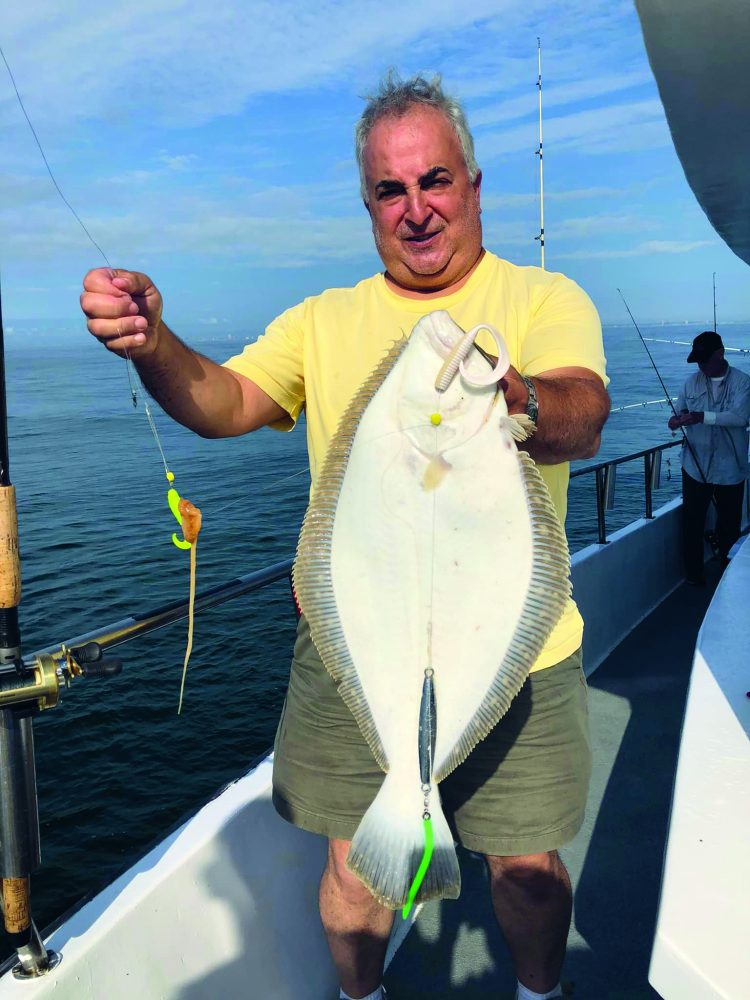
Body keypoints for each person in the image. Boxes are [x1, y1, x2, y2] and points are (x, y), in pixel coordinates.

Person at [81, 74, 609, 1000]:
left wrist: (511, 395)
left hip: (516, 653)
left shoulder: (544, 295)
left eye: (435, 181)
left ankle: (539, 993)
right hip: (357, 644)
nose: (416, 209)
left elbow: (583, 413)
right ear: (368, 204)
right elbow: (224, 402)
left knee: (526, 870)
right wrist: (154, 342)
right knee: (357, 874)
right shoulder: (323, 318)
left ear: (476, 186)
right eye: (390, 191)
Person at [667, 330, 750, 585]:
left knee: (730, 526)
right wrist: (675, 420)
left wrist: (701, 416)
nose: (701, 365)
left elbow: (740, 418)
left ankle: (728, 578)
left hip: (730, 467)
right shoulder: (690, 383)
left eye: (705, 359)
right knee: (692, 524)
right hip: (695, 465)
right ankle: (694, 577)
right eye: (698, 360)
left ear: (720, 354)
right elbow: (679, 412)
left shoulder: (743, 383)